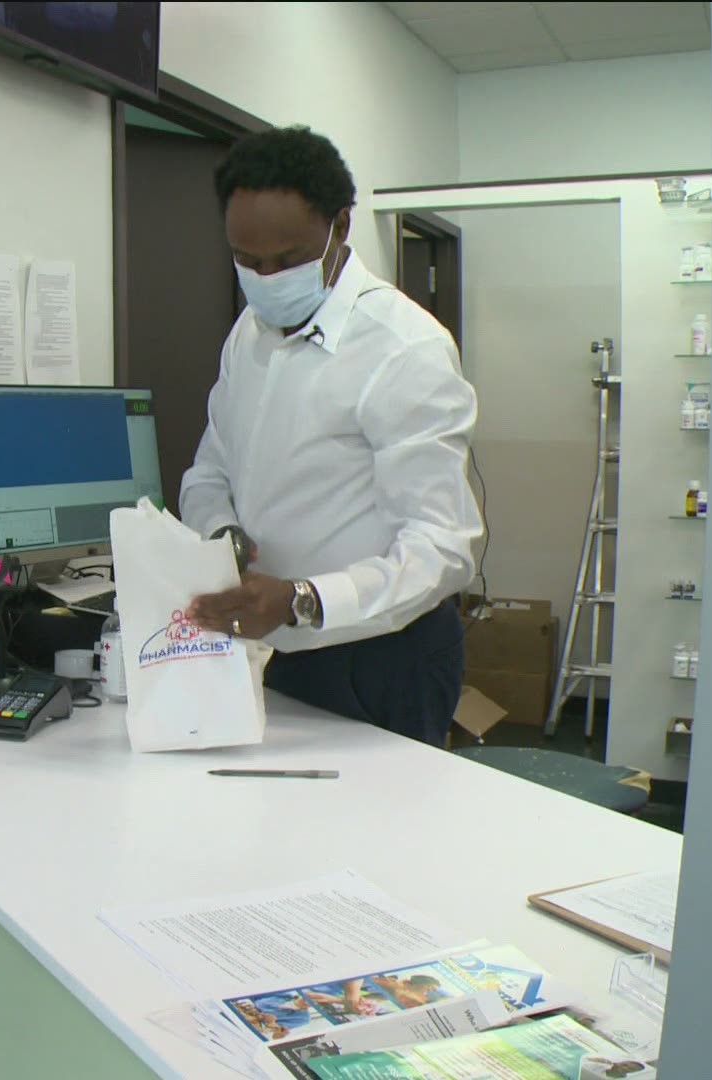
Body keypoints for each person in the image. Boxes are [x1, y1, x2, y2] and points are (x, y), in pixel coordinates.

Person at [181, 125, 483, 746]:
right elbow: (210, 470)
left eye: (287, 260)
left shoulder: (405, 349)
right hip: (270, 646)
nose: (265, 278)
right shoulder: (249, 334)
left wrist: (303, 600)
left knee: (373, 837)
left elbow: (442, 547)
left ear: (341, 226)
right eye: (247, 261)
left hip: (378, 658)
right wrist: (221, 533)